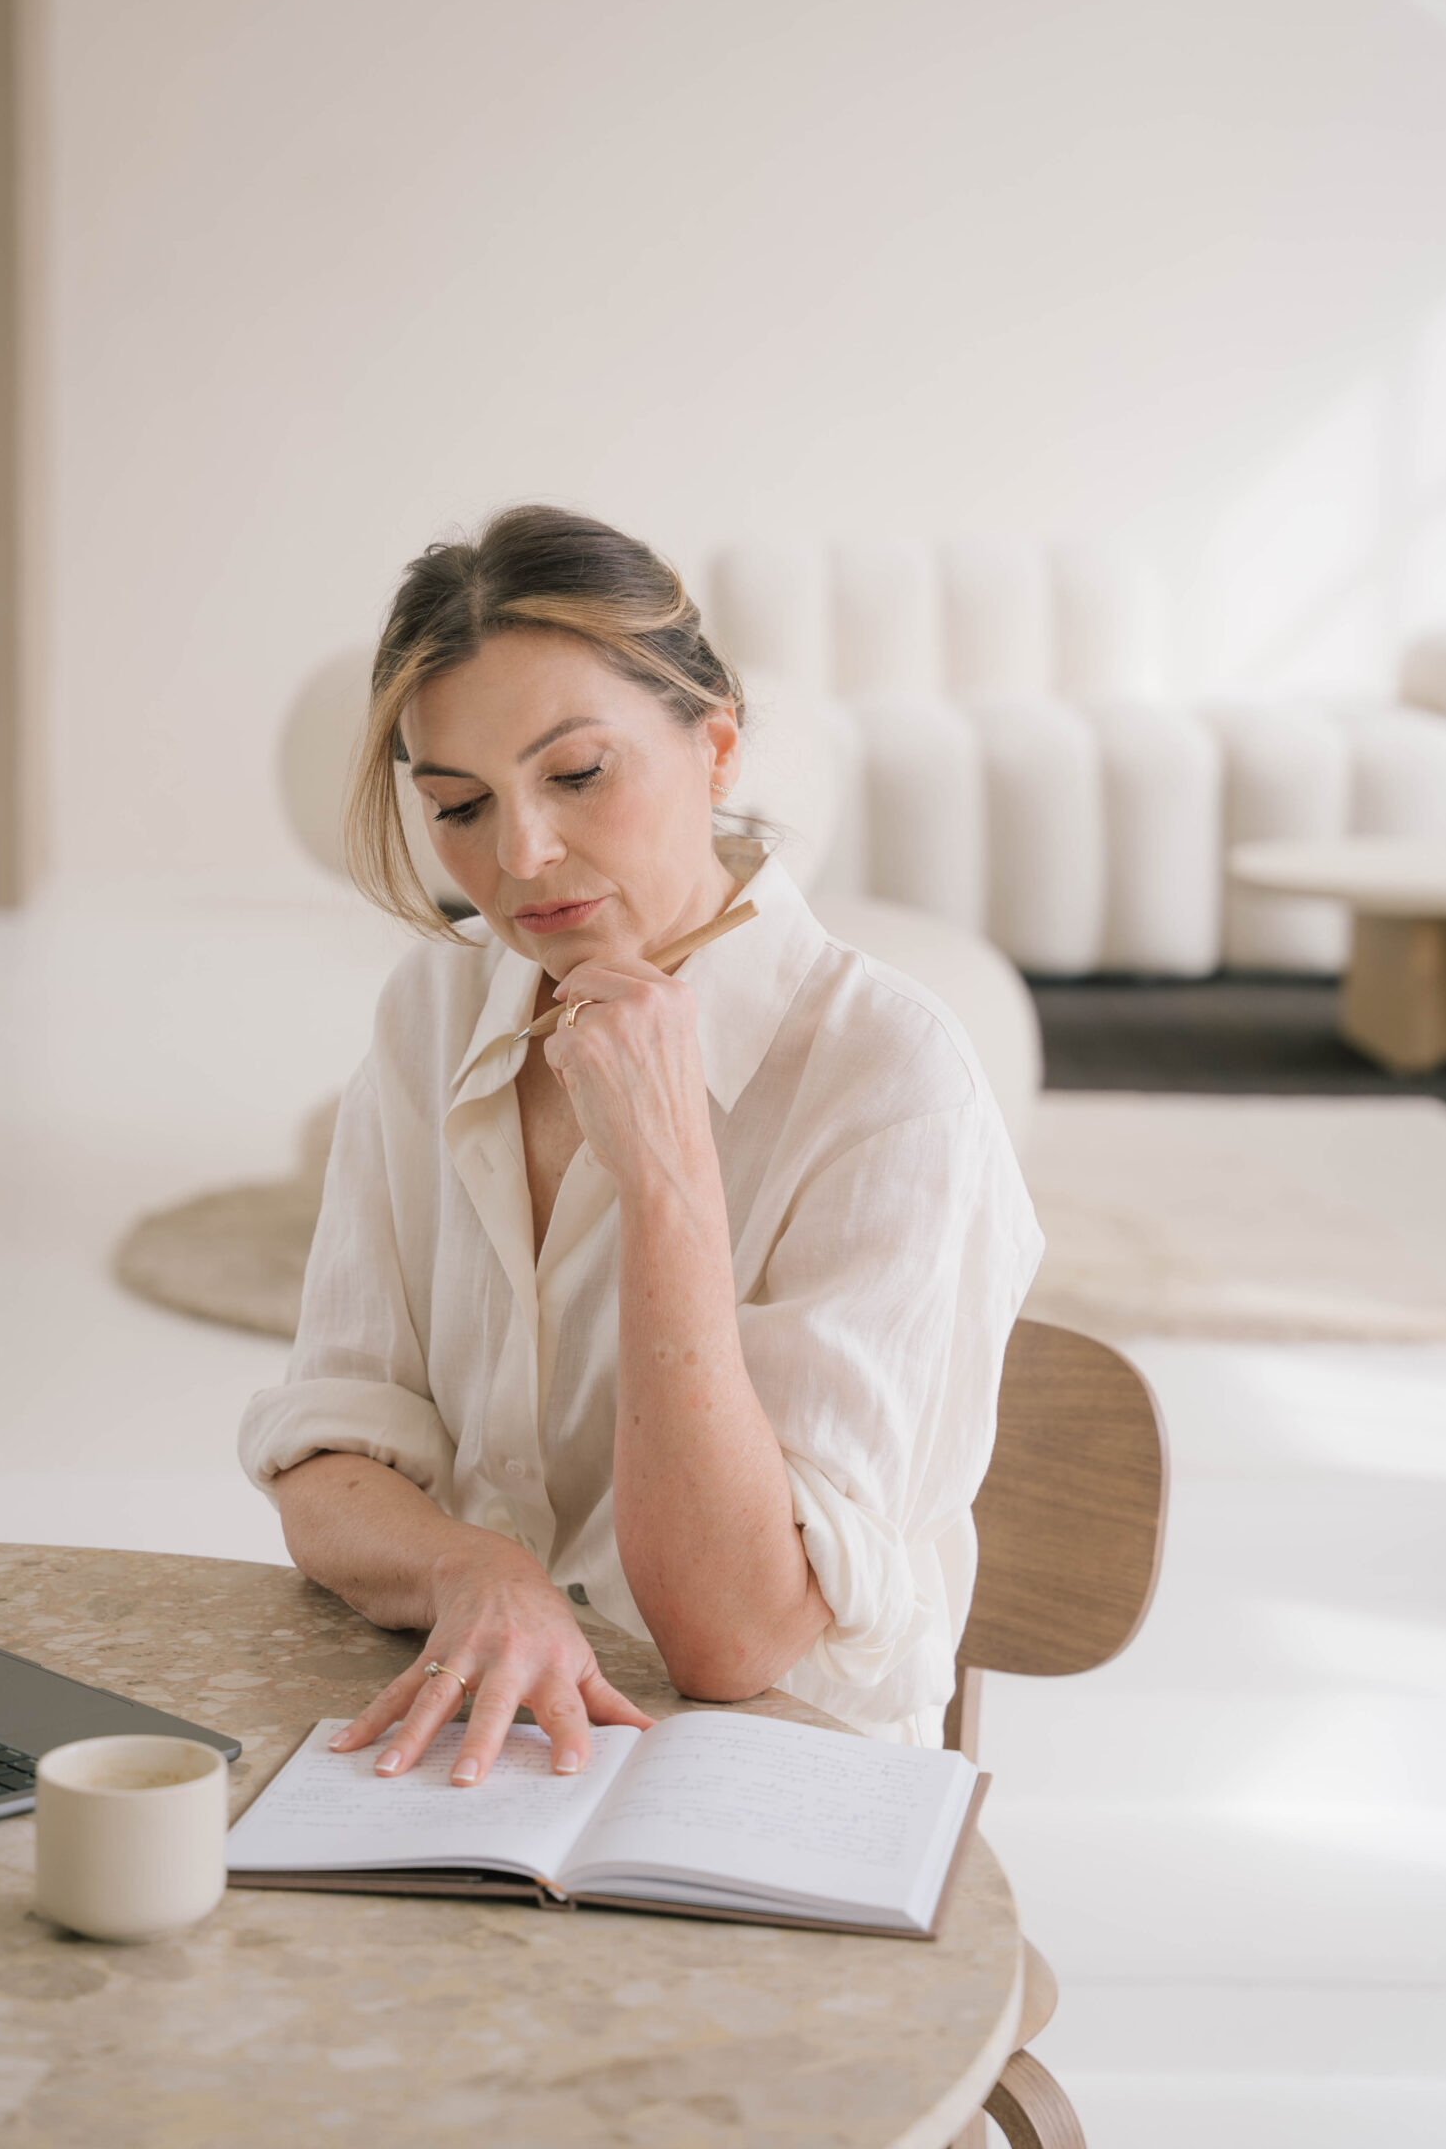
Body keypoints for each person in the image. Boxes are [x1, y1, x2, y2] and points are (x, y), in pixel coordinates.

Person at [239, 506, 1041, 1785]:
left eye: (577, 775)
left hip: (775, 1781)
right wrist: (482, 1572)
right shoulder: (436, 1008)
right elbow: (330, 1450)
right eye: (458, 804)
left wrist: (669, 1175)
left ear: (716, 748)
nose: (519, 858)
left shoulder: (894, 1082)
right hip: (472, 1743)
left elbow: (737, 1637)